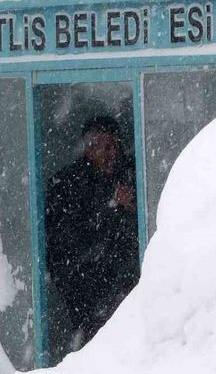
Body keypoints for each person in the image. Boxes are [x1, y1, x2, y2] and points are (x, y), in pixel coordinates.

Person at [46, 116, 140, 347]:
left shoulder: (135, 172)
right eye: (103, 147)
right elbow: (68, 240)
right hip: (86, 290)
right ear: (88, 148)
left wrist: (134, 206)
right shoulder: (68, 184)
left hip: (129, 283)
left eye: (114, 145)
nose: (111, 153)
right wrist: (110, 205)